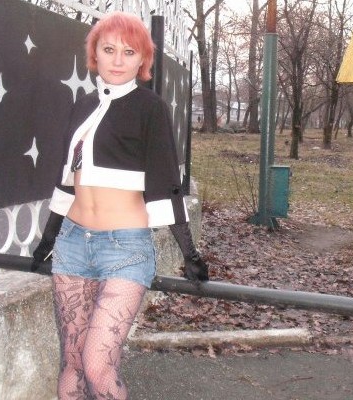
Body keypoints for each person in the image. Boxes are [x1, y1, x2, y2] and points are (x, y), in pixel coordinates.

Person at [31, 11, 208, 400]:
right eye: (108, 49)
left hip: (124, 248)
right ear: (94, 53)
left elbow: (165, 185)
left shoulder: (150, 108)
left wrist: (189, 253)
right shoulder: (82, 106)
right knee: (72, 363)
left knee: (98, 365)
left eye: (129, 52)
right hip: (73, 244)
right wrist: (49, 238)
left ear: (142, 59)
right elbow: (66, 179)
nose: (117, 60)